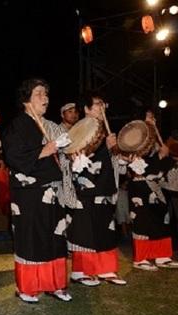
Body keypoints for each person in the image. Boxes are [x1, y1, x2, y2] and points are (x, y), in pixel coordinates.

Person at [2, 78, 71, 303]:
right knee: (32, 238)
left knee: (55, 237)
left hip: (53, 191)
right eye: (39, 93)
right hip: (29, 193)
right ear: (26, 100)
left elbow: (63, 155)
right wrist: (45, 150)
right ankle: (28, 288)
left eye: (46, 94)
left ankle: (56, 284)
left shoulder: (51, 125)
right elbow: (13, 156)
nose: (45, 98)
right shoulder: (17, 125)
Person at [66, 92, 127, 286]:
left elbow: (115, 163)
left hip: (106, 187)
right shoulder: (79, 130)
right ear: (86, 109)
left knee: (105, 229)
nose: (102, 107)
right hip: (86, 189)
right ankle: (81, 271)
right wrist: (106, 148)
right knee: (84, 231)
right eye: (98, 104)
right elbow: (74, 160)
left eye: (103, 103)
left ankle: (106, 269)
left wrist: (117, 153)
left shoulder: (105, 131)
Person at [126, 112, 178, 270]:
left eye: (152, 118)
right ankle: (141, 258)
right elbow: (140, 168)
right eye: (148, 117)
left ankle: (162, 255)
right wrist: (159, 156)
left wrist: (166, 157)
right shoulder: (132, 138)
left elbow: (161, 166)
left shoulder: (154, 140)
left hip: (156, 188)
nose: (151, 120)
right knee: (142, 222)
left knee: (161, 220)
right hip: (139, 186)